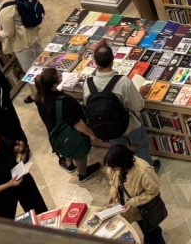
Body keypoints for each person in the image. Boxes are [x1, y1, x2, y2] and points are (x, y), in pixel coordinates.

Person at [83, 44, 160, 172]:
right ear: (113, 60)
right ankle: (147, 170)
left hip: (106, 124)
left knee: (118, 148)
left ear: (95, 62)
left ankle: (124, 171)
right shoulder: (123, 82)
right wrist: (140, 93)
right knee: (141, 144)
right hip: (128, 123)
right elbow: (138, 106)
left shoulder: (88, 83)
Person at [34, 67, 101, 181]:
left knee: (64, 145)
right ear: (55, 84)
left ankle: (68, 163)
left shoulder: (39, 96)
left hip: (55, 132)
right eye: (59, 76)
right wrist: (91, 134)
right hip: (70, 134)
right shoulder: (64, 102)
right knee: (78, 151)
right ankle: (83, 174)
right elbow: (77, 123)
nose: (62, 75)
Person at [0, 128, 47, 219]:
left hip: (19, 178)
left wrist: (19, 148)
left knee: (39, 212)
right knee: (5, 225)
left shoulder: (0, 141)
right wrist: (8, 184)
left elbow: (12, 149)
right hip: (1, 195)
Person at [104, 144, 166, 244]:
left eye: (114, 168)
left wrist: (133, 202)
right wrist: (113, 192)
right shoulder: (113, 168)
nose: (111, 170)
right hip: (129, 209)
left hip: (144, 210)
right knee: (142, 230)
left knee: (151, 233)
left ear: (123, 163)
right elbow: (113, 181)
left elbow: (153, 191)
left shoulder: (144, 171)